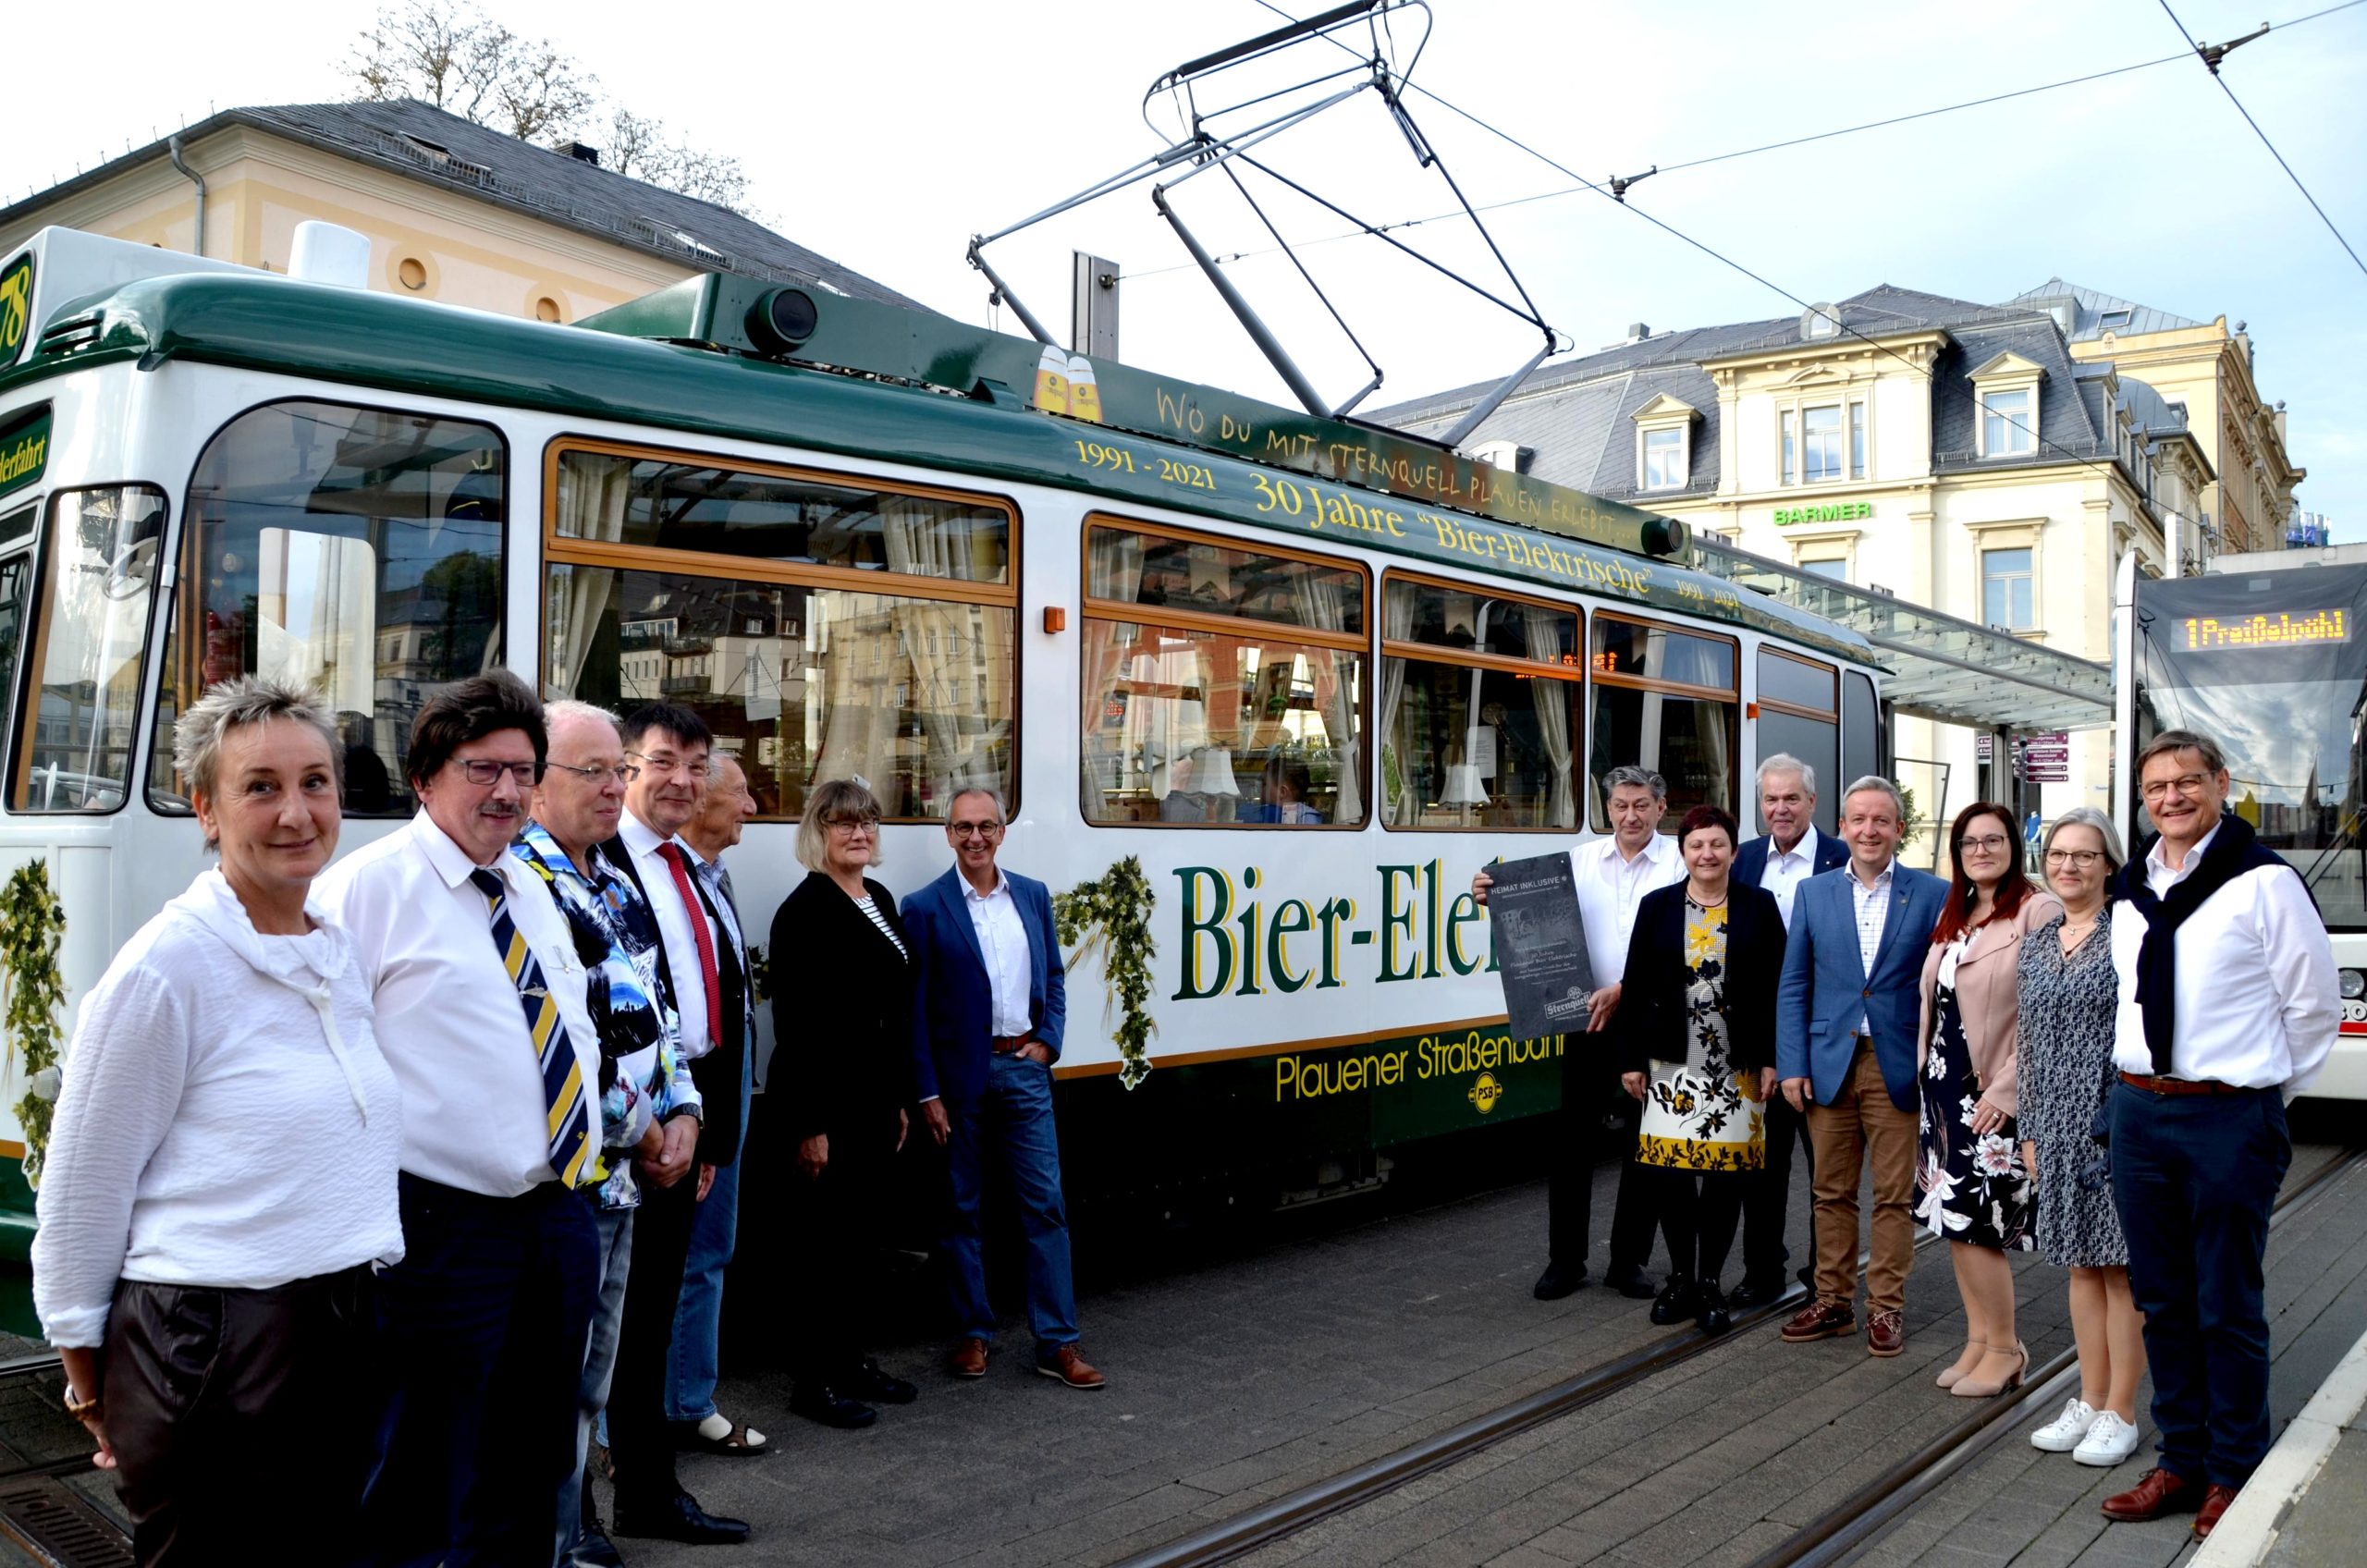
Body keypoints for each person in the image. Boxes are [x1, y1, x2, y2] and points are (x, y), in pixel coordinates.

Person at [31, 678, 401, 1566]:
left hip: (342, 1321)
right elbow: (82, 1193)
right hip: (212, 1348)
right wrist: (92, 1388)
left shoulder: (331, 948)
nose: (297, 811)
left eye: (315, 782)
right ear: (204, 809)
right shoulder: (167, 968)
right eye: (261, 787)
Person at [314, 670, 604, 1567]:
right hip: (438, 1231)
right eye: (485, 770)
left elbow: (567, 1029)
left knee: (529, 1466)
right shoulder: (366, 890)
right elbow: (324, 1065)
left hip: (555, 1216)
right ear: (427, 776)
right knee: (418, 1472)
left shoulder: (525, 885)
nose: (510, 791)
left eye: (524, 770)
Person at [2100, 730, 2336, 1541]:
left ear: (2221, 784)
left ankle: (2234, 1468)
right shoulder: (2131, 890)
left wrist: (2256, 1095)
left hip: (2226, 1116)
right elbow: (2132, 998)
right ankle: (2182, 1458)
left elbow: (2314, 1010)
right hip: (2138, 1111)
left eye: (2186, 782)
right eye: (2156, 786)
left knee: (2226, 1302)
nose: (2170, 797)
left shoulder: (2265, 883)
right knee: (2162, 1299)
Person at [517, 701, 705, 1567]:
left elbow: (658, 1021)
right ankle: (554, 1544)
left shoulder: (613, 880)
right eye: (593, 771)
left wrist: (686, 1113)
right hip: (571, 1180)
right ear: (534, 783)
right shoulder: (522, 882)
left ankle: (570, 1537)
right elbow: (550, 1044)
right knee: (549, 1389)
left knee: (590, 1384)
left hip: (630, 1173)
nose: (612, 787)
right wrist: (642, 1128)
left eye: (615, 771)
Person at [598, 704, 751, 1547]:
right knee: (603, 1336)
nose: (682, 782)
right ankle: (585, 1509)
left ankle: (650, 1495)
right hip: (625, 1138)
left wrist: (707, 1135)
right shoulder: (603, 860)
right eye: (663, 762)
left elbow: (711, 1011)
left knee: (652, 1322)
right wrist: (659, 1124)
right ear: (626, 768)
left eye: (696, 765)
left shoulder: (688, 868)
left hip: (684, 1127)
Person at [905, 786, 1108, 1390]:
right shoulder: (924, 907)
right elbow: (913, 1010)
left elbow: (1052, 974)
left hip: (1022, 1069)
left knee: (1044, 1206)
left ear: (1001, 832)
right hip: (958, 1079)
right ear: (948, 835)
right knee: (960, 1209)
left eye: (986, 826)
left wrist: (1049, 1039)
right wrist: (926, 1092)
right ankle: (974, 1332)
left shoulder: (1033, 896)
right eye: (964, 827)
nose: (975, 838)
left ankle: (1058, 1343)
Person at [1473, 764, 1681, 1301]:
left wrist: (1627, 988)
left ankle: (1628, 1261)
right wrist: (1490, 893)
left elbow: (1690, 943)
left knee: (1648, 1141)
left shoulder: (1684, 861)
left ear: (1661, 807)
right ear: (1607, 809)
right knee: (1572, 1142)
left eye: (1641, 805)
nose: (1630, 815)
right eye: (1620, 805)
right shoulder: (1579, 861)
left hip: (1655, 1019)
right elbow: (1534, 909)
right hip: (1586, 1018)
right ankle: (1565, 1260)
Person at [764, 778, 923, 1426]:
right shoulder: (803, 911)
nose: (858, 833)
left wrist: (900, 1100)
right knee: (820, 1251)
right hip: (826, 1105)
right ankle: (813, 1384)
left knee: (860, 1243)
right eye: (843, 823)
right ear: (818, 832)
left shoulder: (876, 897)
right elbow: (798, 1028)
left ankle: (851, 1360)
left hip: (873, 1103)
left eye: (868, 823)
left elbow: (890, 1008)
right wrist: (810, 1125)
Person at [1775, 777, 1948, 1357]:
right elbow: (1795, 983)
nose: (1869, 830)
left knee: (1894, 1197)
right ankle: (1832, 1302)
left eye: (1881, 820)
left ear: (1900, 829)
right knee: (1829, 1191)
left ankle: (1886, 1310)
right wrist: (1793, 1063)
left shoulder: (1933, 895)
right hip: (1828, 1063)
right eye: (1859, 820)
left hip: (1896, 1064)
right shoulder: (1814, 892)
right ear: (1842, 827)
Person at [1613, 805, 1785, 1335]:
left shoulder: (1760, 906)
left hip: (1737, 1067)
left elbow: (1779, 988)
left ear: (1734, 852)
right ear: (1683, 852)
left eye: (1717, 844)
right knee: (1669, 1176)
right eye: (1696, 845)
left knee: (1725, 1181)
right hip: (1670, 1063)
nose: (1707, 854)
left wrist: (1775, 1058)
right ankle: (1681, 1277)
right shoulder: (1657, 907)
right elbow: (1635, 988)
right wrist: (1630, 1060)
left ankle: (1709, 1281)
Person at [1914, 802, 2060, 1398]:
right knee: (1954, 1221)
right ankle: (1979, 1340)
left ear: (2013, 846)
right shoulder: (1960, 911)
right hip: (1944, 1088)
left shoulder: (2037, 909)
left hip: (1991, 1094)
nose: (1981, 850)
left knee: (1981, 1224)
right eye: (1970, 842)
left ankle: (2006, 1348)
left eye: (1993, 840)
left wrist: (2008, 1090)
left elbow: (2047, 1015)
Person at [2017, 807, 2146, 1466]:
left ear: (2109, 865)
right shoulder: (2038, 940)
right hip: (2056, 1127)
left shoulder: (2128, 934)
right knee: (2079, 1263)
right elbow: (2031, 1046)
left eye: (2084, 855)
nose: (2068, 865)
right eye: (2059, 854)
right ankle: (2090, 1398)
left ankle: (2123, 1411)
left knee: (2121, 1269)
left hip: (2114, 1121)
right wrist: (2031, 1129)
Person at [668, 753, 769, 1459]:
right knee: (662, 1257)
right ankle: (623, 1424)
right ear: (699, 800)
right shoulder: (660, 878)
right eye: (738, 794)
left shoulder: (715, 877)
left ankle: (688, 1400)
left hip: (725, 1081)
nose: (752, 807)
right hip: (683, 1087)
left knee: (710, 1250)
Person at [1729, 754, 1848, 1307]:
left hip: (1823, 1038)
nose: (1780, 809)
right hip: (1757, 1039)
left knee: (1828, 1169)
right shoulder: (1742, 859)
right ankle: (1762, 1268)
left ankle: (1826, 1273)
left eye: (1791, 799)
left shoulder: (1844, 859)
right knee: (1761, 1163)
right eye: (1771, 799)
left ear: (1812, 803)